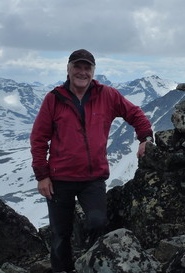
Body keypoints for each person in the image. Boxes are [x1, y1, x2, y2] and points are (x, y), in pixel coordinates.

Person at [30, 49, 153, 273]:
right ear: (68, 69)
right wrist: (42, 175)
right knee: (60, 233)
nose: (82, 72)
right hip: (60, 180)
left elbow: (134, 113)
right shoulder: (54, 99)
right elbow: (39, 138)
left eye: (87, 68)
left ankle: (90, 264)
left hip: (93, 178)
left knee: (98, 223)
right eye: (77, 67)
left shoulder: (107, 95)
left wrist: (145, 138)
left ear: (93, 71)